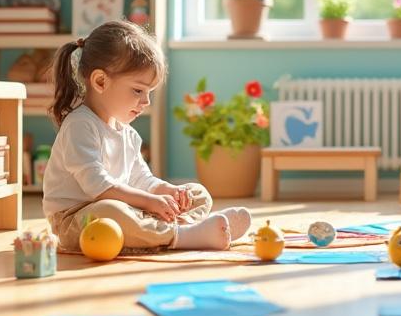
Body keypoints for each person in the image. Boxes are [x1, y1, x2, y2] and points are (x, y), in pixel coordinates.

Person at [42, 20, 250, 252]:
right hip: (77, 220)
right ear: (100, 81)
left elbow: (142, 180)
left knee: (197, 194)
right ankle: (184, 235)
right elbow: (97, 187)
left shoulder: (127, 133)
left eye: (149, 92)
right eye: (138, 90)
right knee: (111, 211)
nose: (146, 102)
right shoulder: (79, 125)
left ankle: (186, 227)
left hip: (126, 207)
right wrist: (149, 201)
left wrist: (168, 192)